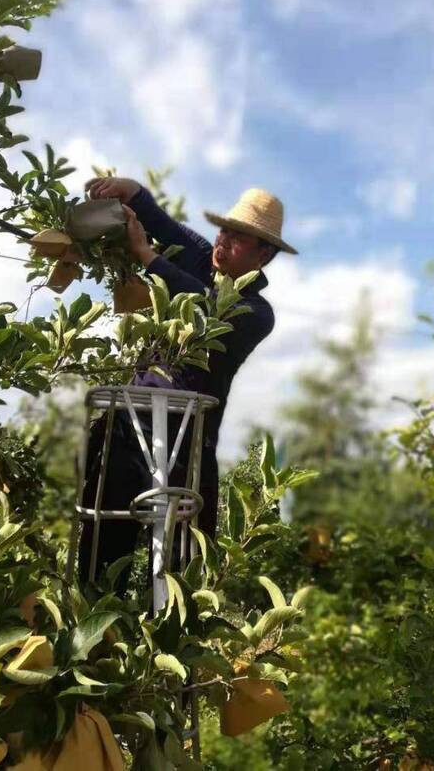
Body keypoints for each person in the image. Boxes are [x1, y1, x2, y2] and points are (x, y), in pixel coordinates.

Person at [78, 176, 297, 586]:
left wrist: (147, 256)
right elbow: (167, 227)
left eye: (240, 236)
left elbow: (208, 310)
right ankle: (96, 637)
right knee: (103, 546)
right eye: (225, 229)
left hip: (186, 443)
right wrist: (132, 191)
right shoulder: (201, 260)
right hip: (129, 426)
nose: (224, 239)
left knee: (178, 562)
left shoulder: (256, 312)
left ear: (263, 254)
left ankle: (163, 640)